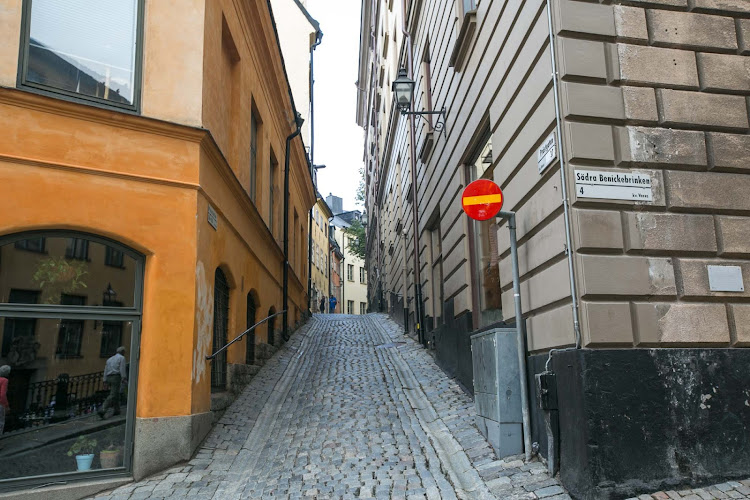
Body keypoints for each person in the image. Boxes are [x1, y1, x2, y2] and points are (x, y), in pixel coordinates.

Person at [98, 347, 127, 419]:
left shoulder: (109, 359)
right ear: (122, 352)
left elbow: (106, 370)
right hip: (116, 377)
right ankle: (103, 409)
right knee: (113, 394)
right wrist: (123, 377)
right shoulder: (122, 358)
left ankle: (117, 410)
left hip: (108, 377)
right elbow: (122, 368)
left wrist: (104, 380)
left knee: (115, 393)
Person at [0, 365, 10, 435]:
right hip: (0, 404)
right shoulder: (4, 380)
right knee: (0, 422)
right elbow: (3, 394)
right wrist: (6, 405)